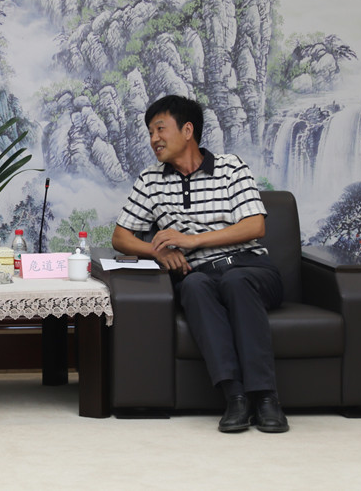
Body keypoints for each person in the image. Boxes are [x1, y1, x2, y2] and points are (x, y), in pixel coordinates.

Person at [112, 95, 288, 434]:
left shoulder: (231, 167)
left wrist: (193, 240)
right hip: (198, 275)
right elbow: (121, 237)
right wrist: (157, 252)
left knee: (236, 282)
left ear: (188, 130)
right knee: (192, 286)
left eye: (160, 129)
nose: (154, 139)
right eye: (150, 133)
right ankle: (235, 397)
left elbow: (255, 226)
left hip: (250, 268)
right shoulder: (150, 180)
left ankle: (266, 398)